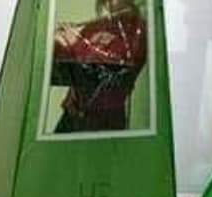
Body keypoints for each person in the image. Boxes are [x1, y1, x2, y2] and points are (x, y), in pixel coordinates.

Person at [51, 0, 148, 133]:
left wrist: (76, 42)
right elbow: (66, 61)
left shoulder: (138, 29)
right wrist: (55, 44)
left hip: (104, 122)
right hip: (70, 116)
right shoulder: (97, 25)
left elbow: (115, 68)